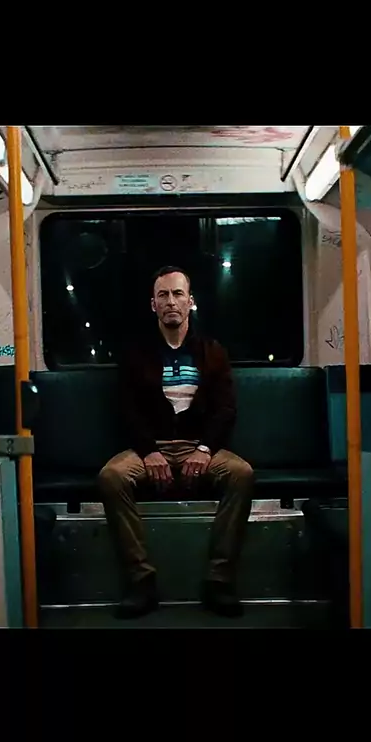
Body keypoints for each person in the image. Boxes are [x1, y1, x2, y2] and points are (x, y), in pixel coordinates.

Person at [98, 265, 254, 619]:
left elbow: (225, 409)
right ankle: (141, 580)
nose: (171, 301)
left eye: (178, 294)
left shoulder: (212, 351)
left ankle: (219, 579)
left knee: (241, 474)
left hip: (198, 445)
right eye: (163, 295)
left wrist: (204, 450)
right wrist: (149, 451)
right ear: (153, 304)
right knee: (112, 477)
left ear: (190, 302)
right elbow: (126, 409)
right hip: (151, 447)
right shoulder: (136, 353)